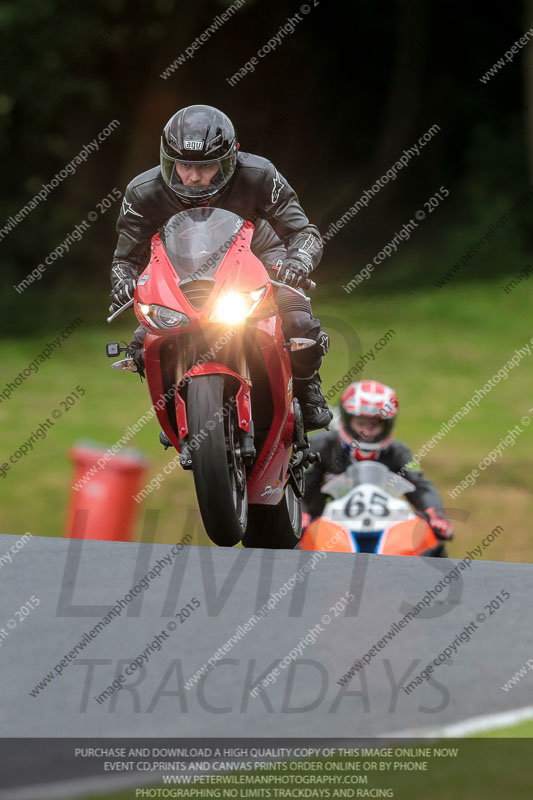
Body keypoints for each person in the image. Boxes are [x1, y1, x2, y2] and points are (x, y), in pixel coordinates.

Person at [109, 104, 332, 432]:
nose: (194, 177)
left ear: (230, 159)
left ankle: (308, 387)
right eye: (184, 165)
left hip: (258, 257)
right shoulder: (142, 192)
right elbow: (124, 260)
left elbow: (303, 232)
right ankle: (176, 405)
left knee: (299, 321)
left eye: (207, 166)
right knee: (144, 344)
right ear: (169, 161)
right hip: (179, 272)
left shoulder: (259, 174)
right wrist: (124, 282)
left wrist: (297, 261)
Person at [302, 380, 454, 541]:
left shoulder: (398, 451)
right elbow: (299, 486)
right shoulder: (322, 444)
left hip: (383, 532)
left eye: (375, 424)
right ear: (347, 420)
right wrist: (301, 515)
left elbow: (421, 485)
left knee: (433, 543)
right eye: (361, 423)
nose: (367, 431)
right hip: (322, 532)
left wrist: (435, 514)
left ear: (388, 424)